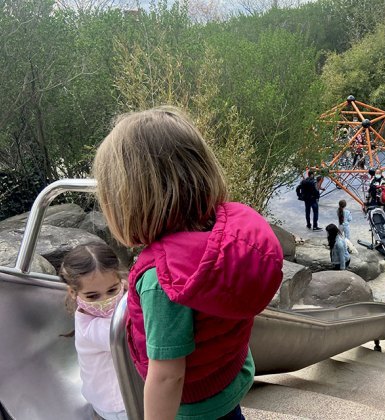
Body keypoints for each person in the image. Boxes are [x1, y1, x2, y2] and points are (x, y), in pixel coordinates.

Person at [93, 107, 284, 420]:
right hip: (228, 376)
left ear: (127, 199)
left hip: (196, 406)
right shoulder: (229, 234)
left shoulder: (163, 278)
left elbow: (168, 376)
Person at [59, 242, 127, 420]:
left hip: (104, 396)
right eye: (93, 296)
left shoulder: (119, 293)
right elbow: (132, 334)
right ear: (73, 292)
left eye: (112, 290)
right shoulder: (91, 329)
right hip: (116, 406)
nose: (106, 300)